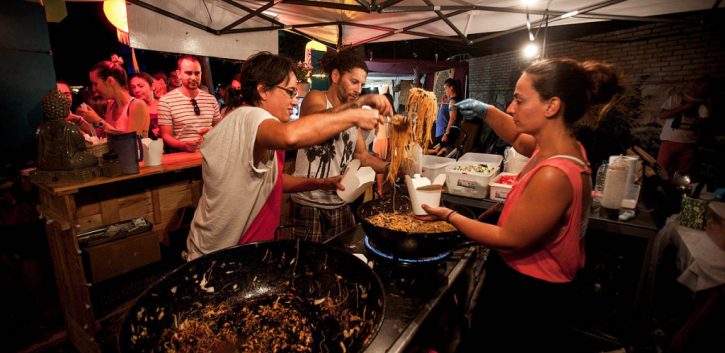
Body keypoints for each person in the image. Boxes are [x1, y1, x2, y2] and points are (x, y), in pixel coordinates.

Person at [419, 58, 623, 352]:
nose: (511, 108)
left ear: (552, 106)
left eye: (519, 99)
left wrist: (449, 216)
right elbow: (516, 136)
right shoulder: (562, 147)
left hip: (532, 294)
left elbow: (509, 239)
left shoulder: (554, 174)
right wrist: (486, 111)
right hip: (532, 283)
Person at [185, 52, 388, 261]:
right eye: (290, 92)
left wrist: (320, 183)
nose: (294, 102)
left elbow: (274, 181)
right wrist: (354, 113)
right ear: (263, 90)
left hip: (249, 248)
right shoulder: (248, 115)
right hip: (218, 254)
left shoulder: (265, 128)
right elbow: (289, 137)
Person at [290, 48, 390, 242]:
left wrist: (394, 167)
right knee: (309, 265)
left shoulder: (352, 114)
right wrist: (362, 103)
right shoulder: (317, 98)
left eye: (361, 85)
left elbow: (362, 156)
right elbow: (316, 119)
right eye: (354, 82)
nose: (358, 90)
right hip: (309, 203)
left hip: (340, 203)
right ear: (335, 75)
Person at [158, 55, 222, 152]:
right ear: (179, 74)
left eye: (197, 73)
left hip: (210, 154)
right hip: (182, 158)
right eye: (188, 73)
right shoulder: (166, 101)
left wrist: (212, 132)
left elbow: (221, 128)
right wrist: (183, 145)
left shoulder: (211, 99)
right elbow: (166, 135)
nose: (193, 77)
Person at [657, 76, 713, 177]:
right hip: (670, 141)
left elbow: (704, 125)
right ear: (696, 85)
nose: (706, 91)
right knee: (661, 172)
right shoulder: (677, 98)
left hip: (690, 143)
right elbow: (662, 115)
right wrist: (683, 107)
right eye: (704, 87)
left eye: (708, 88)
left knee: (684, 176)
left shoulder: (705, 103)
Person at [76, 61, 150, 137]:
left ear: (110, 81)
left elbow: (130, 142)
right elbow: (105, 136)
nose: (94, 89)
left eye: (96, 84)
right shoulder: (111, 105)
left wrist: (98, 121)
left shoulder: (137, 105)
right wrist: (78, 120)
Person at [434, 78, 462, 155]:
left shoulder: (453, 101)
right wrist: (443, 104)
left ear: (451, 87)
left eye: (446, 88)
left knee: (439, 155)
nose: (445, 91)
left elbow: (453, 119)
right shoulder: (451, 101)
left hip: (446, 133)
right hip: (442, 132)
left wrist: (446, 134)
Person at [130, 73, 160, 139]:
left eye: (140, 86)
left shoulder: (164, 104)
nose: (136, 90)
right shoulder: (134, 109)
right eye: (133, 87)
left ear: (152, 86)